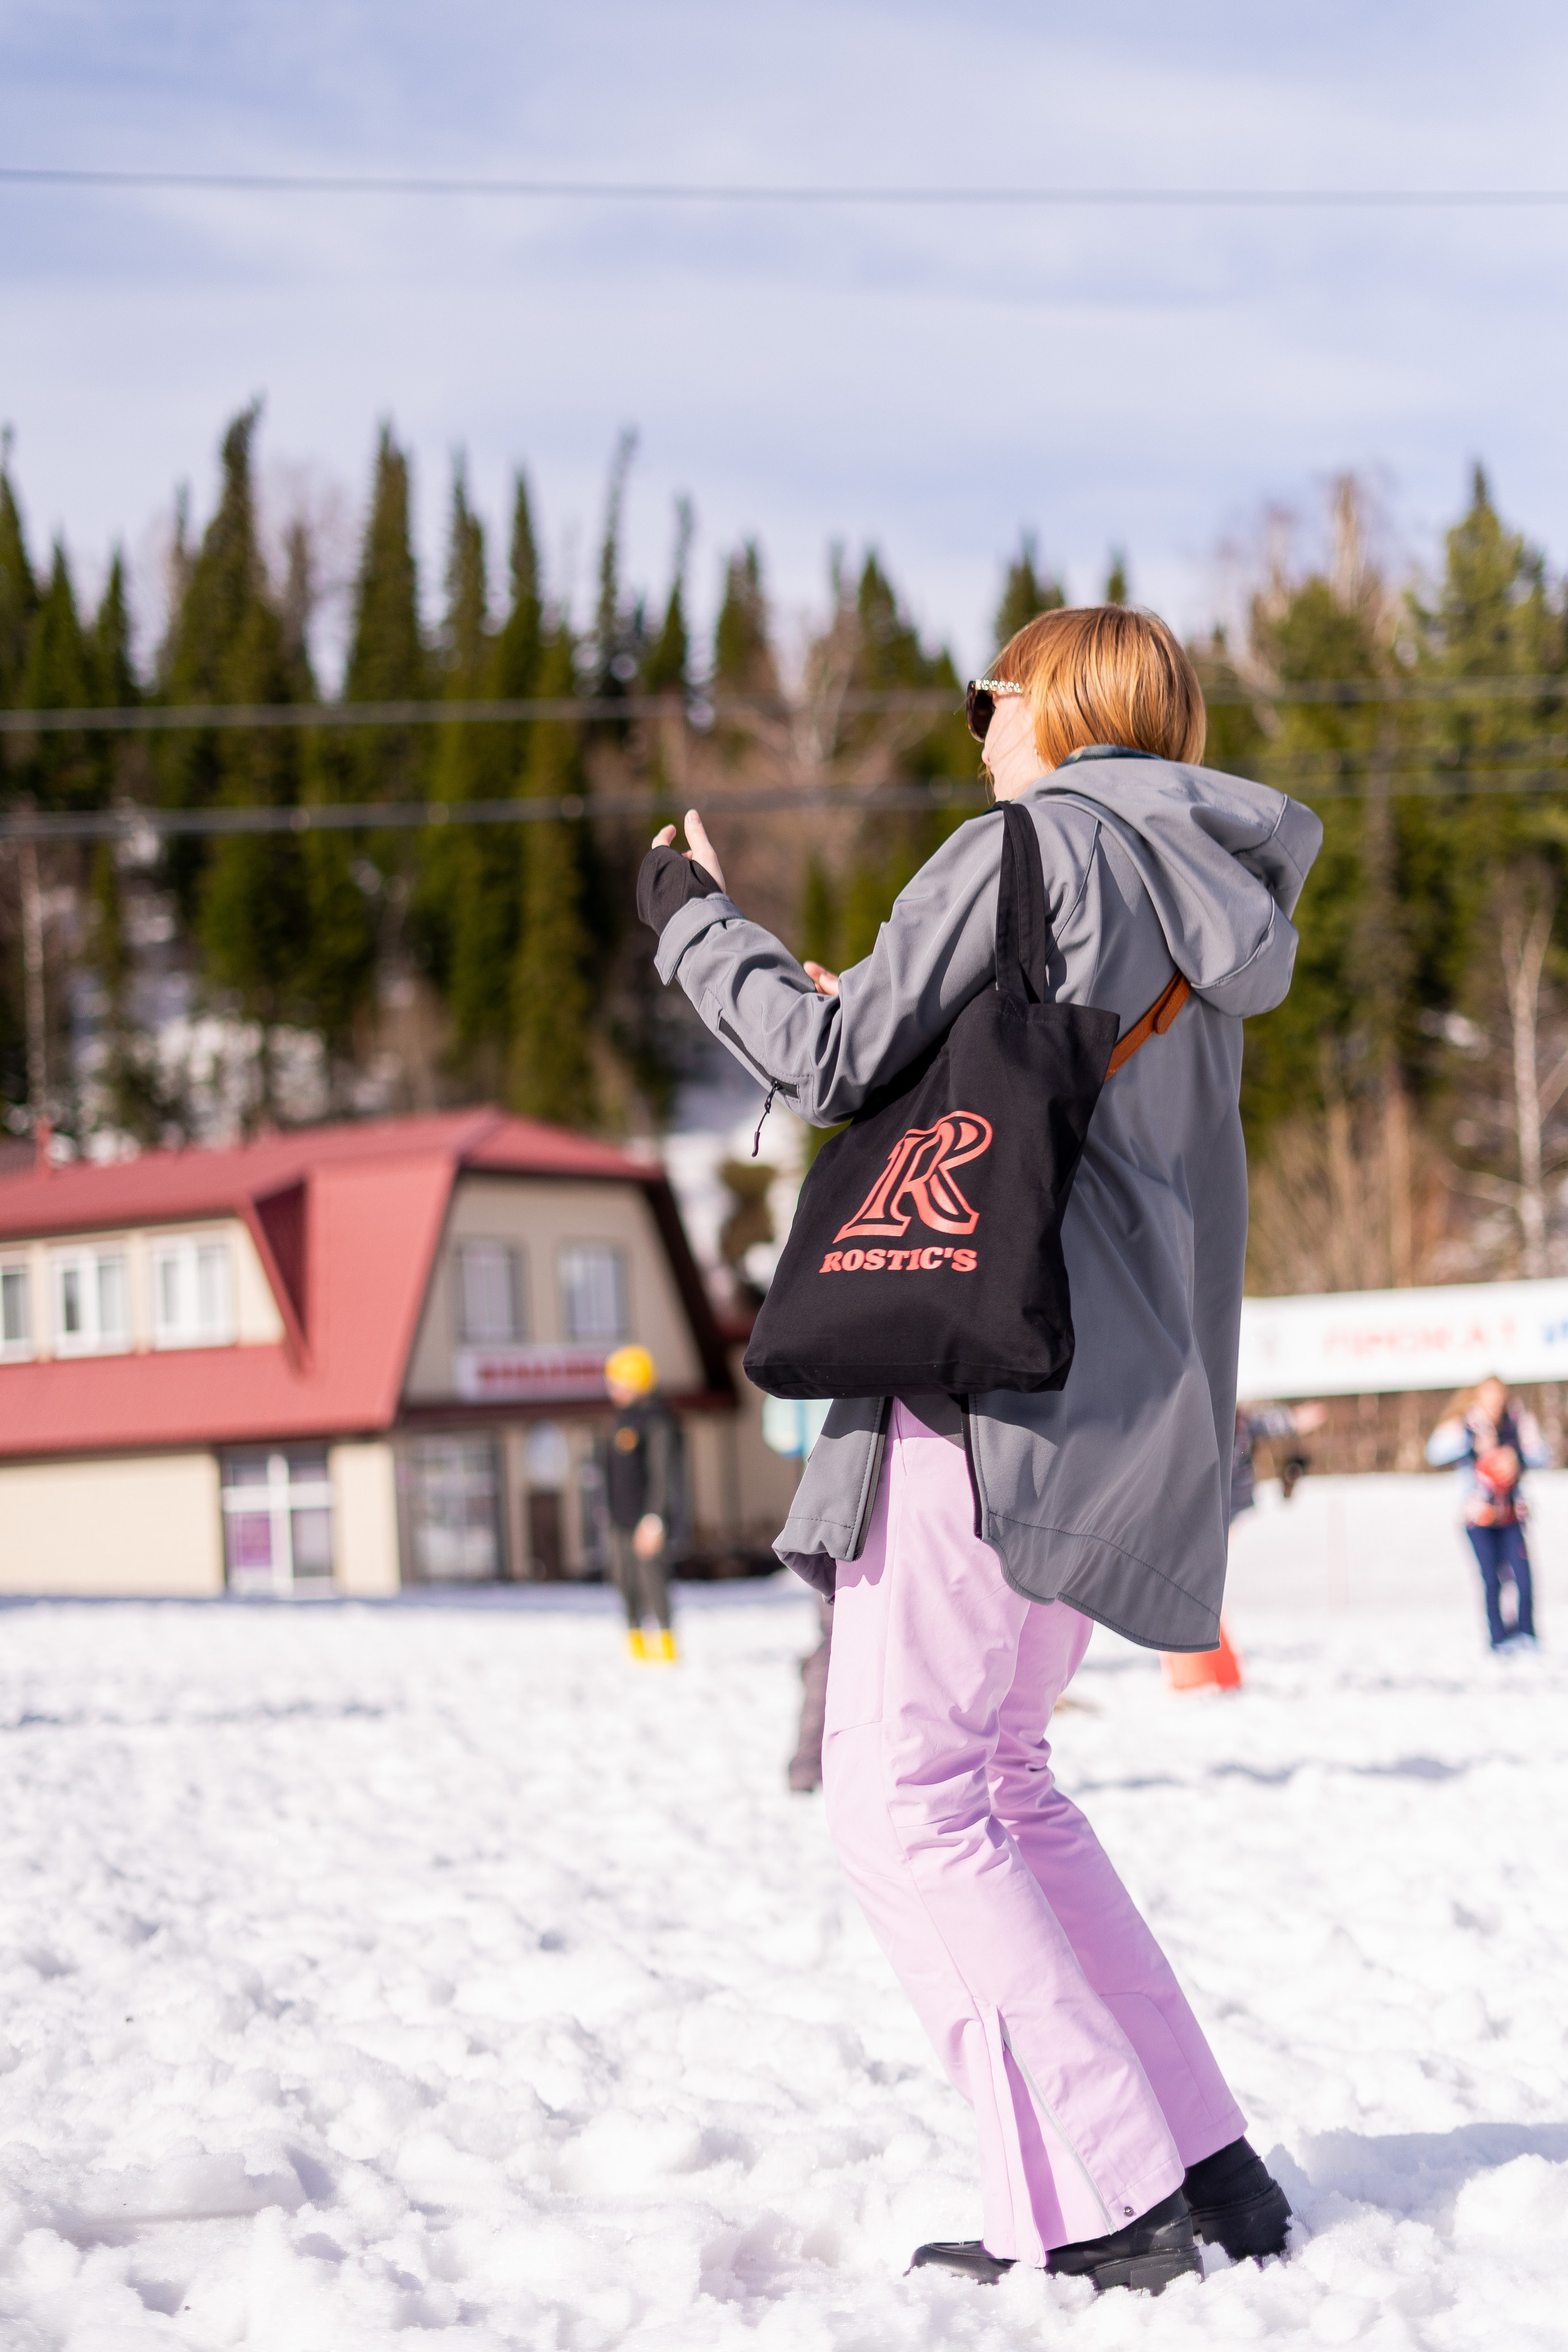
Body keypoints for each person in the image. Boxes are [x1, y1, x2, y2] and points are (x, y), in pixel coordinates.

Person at [638, 605, 1321, 2292]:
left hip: (981, 1389)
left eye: (986, 700)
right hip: (1118, 1400)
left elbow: (830, 1057)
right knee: (1005, 1777)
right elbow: (1023, 1090)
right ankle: (1204, 2165)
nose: (976, 734)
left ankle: (1111, 2202)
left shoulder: (1028, 848)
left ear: (1060, 707)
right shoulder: (1202, 898)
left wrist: (688, 924)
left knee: (904, 1798)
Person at [1426, 1376, 1547, 1650]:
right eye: (1489, 1396)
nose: (1495, 1402)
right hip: (1478, 1516)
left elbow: (1542, 1454)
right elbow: (1434, 1453)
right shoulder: (1464, 1425)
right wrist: (1471, 1447)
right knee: (1492, 1579)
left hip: (1511, 1514)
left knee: (1523, 1576)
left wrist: (1516, 1458)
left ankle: (1527, 1634)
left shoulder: (1518, 1423)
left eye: (1499, 1396)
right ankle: (1498, 1639)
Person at [601, 1344, 687, 1663]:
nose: (612, 1389)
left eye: (617, 1382)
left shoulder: (658, 1420)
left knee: (653, 1581)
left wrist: (655, 1518)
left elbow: (664, 1474)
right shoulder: (621, 1419)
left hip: (646, 1521)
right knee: (624, 1582)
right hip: (620, 1519)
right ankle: (636, 1645)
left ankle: (665, 1646)